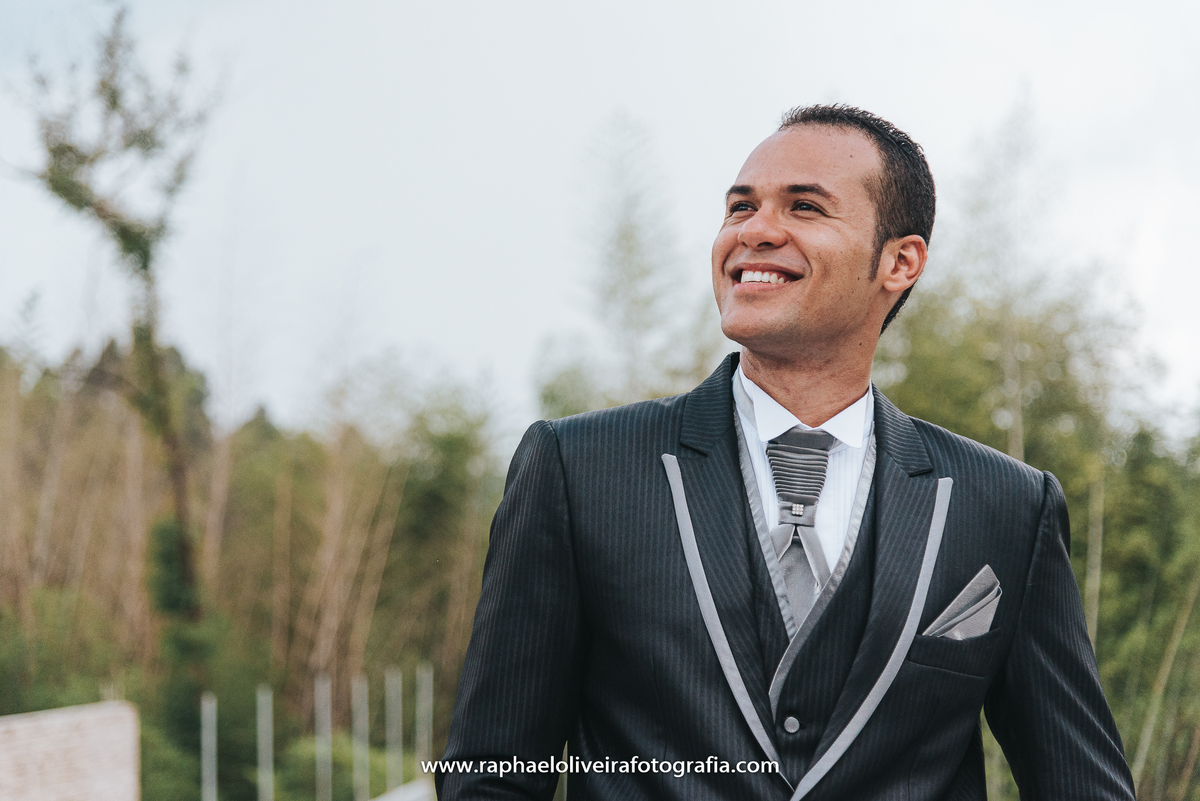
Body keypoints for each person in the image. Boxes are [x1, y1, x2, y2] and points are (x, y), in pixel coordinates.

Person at [436, 105, 1135, 800]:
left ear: (899, 260)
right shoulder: (578, 468)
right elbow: (491, 776)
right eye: (740, 207)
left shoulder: (1009, 506)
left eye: (804, 207)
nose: (755, 231)